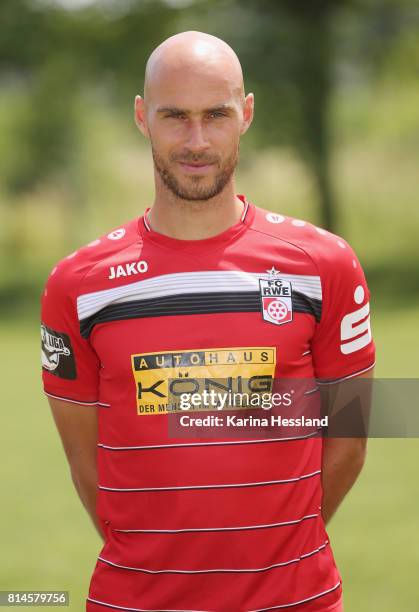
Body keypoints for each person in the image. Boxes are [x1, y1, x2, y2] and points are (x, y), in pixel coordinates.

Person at [41, 31, 375, 612]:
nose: (196, 141)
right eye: (175, 116)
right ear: (143, 118)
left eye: (215, 115)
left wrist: (276, 553)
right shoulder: (78, 285)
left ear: (244, 114)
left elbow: (348, 439)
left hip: (296, 599)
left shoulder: (326, 265)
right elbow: (85, 462)